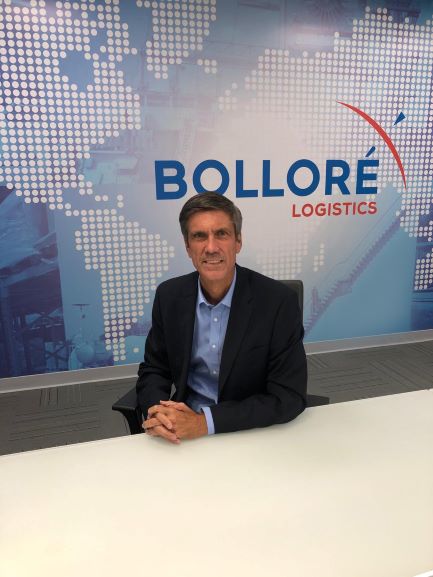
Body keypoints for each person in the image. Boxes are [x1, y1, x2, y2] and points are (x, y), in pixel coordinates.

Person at [136, 192, 307, 443]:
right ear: (188, 247)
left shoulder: (278, 302)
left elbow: (289, 396)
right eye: (199, 236)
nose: (211, 247)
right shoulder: (169, 296)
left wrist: (204, 422)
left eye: (221, 234)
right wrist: (158, 413)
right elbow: (155, 369)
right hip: (182, 428)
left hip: (249, 430)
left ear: (238, 241)